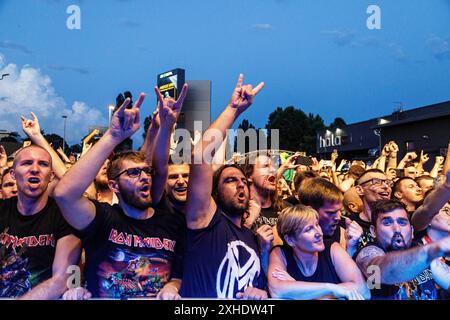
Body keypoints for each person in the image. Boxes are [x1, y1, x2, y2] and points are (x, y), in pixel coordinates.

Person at [54, 85, 188, 299]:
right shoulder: (103, 219)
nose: (144, 177)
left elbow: (178, 272)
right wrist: (112, 136)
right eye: (133, 173)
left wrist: (173, 286)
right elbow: (64, 194)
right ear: (114, 185)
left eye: (146, 171)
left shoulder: (172, 222)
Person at [180, 74, 270, 299]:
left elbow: (260, 286)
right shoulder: (205, 221)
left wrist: (261, 293)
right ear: (214, 193)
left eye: (242, 180)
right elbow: (200, 155)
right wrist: (233, 109)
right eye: (229, 180)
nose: (240, 184)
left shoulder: (250, 237)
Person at [0, 145, 81, 299]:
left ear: (51, 175)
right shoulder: (2, 210)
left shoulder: (65, 215)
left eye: (43, 164)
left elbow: (63, 280)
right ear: (13, 174)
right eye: (27, 163)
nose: (35, 169)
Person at [268, 205, 370, 300]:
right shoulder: (280, 253)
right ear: (290, 240)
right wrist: (331, 288)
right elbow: (276, 291)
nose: (319, 233)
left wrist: (296, 288)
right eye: (309, 229)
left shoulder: (332, 248)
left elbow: (363, 290)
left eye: (317, 225)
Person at [355, 199, 450, 299]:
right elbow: (382, 272)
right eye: (387, 223)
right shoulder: (368, 253)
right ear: (373, 231)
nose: (397, 229)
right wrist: (432, 250)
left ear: (412, 231)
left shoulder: (417, 248)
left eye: (402, 223)